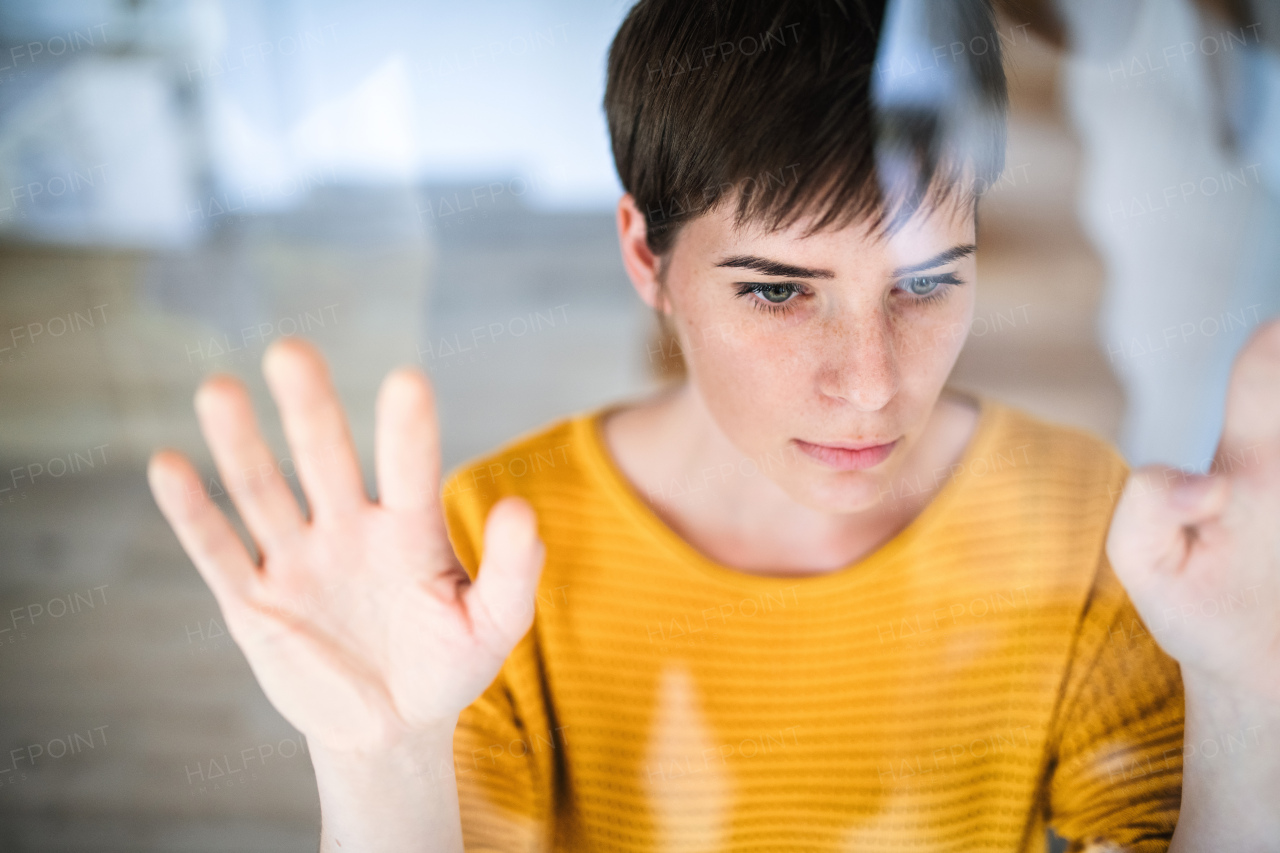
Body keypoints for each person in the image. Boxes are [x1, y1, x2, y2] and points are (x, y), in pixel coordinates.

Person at [146, 0, 1280, 850]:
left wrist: (1247, 692)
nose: (870, 384)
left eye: (925, 282)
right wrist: (382, 764)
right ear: (647, 254)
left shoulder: (1090, 526)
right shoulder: (496, 555)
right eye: (778, 290)